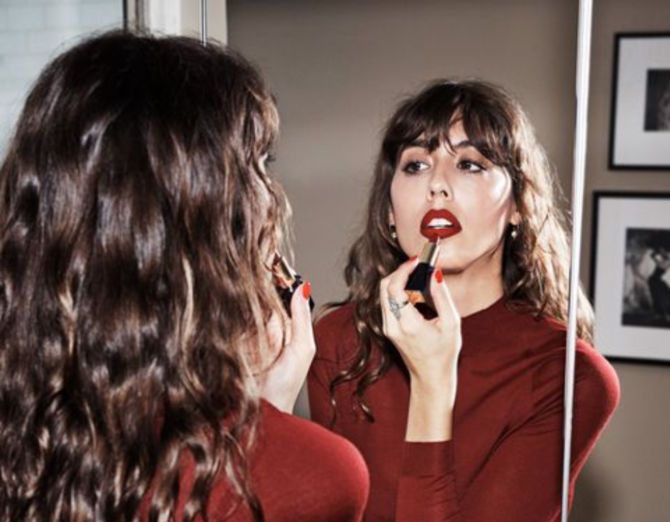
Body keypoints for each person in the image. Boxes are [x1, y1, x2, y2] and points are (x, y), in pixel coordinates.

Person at [0, 31, 368, 521]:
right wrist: (261, 430)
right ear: (208, 218)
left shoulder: (26, 439)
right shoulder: (320, 478)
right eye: (258, 164)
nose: (272, 195)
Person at [308, 79, 620, 522]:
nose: (437, 185)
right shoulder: (338, 341)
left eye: (470, 164)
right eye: (416, 165)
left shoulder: (568, 375)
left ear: (518, 205)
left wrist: (432, 384)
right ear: (390, 213)